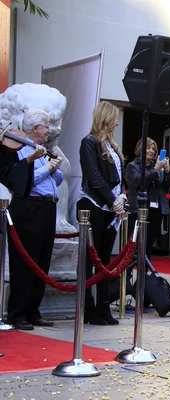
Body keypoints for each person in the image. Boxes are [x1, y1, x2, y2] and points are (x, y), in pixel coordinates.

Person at [6, 110, 62, 331]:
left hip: (47, 205)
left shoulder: (45, 150)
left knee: (42, 260)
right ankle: (17, 312)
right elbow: (24, 179)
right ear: (35, 128)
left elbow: (55, 180)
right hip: (28, 206)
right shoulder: (19, 149)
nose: (48, 130)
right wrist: (46, 168)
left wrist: (54, 166)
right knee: (25, 261)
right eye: (45, 126)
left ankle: (33, 310)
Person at [77, 101, 127, 326]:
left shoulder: (113, 147)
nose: (117, 123)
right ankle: (88, 307)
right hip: (94, 206)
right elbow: (94, 176)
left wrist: (121, 198)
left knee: (105, 259)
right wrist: (112, 200)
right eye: (114, 118)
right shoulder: (89, 143)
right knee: (90, 258)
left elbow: (119, 177)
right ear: (106, 118)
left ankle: (103, 305)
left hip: (111, 207)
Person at [125, 138, 170, 260]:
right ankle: (128, 274)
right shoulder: (132, 166)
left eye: (153, 149)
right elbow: (137, 181)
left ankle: (144, 275)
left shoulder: (157, 166)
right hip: (138, 210)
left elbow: (168, 186)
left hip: (155, 210)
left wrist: (167, 170)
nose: (151, 151)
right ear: (140, 149)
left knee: (148, 246)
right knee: (134, 245)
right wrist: (156, 169)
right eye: (148, 148)